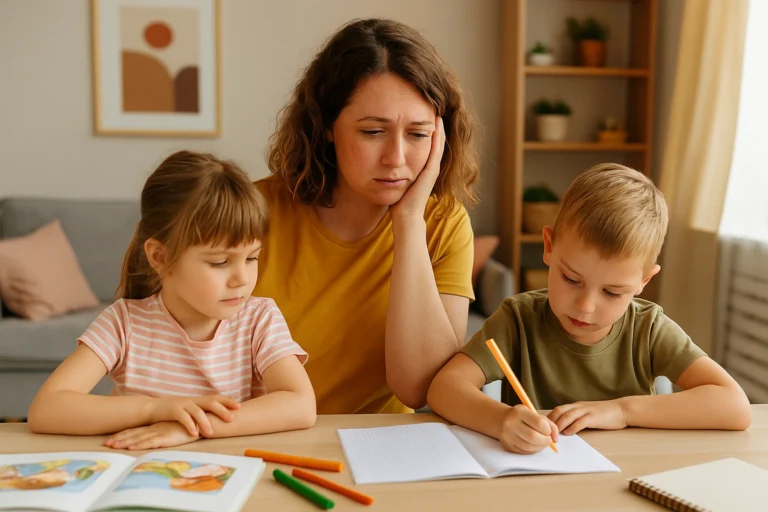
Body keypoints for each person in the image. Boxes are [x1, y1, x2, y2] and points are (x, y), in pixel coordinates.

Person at [427, 163, 751, 454]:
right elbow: (444, 388)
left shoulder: (649, 328)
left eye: (612, 292)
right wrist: (499, 421)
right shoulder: (517, 319)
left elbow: (735, 406)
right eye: (571, 279)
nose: (585, 307)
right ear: (549, 247)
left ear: (643, 281)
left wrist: (622, 411)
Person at [254, 18, 479, 414]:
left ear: (440, 137)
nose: (395, 159)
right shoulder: (253, 213)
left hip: (377, 446)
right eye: (373, 132)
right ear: (326, 125)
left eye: (418, 134)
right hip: (260, 433)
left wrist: (409, 222)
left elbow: (419, 388)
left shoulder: (444, 224)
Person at [28, 150, 316, 450]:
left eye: (252, 257)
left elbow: (301, 405)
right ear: (160, 257)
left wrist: (192, 428)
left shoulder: (259, 319)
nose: (242, 279)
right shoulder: (124, 322)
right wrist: (155, 410)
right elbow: (47, 409)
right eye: (220, 262)